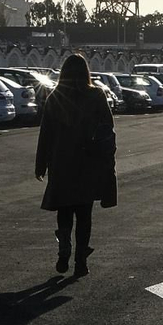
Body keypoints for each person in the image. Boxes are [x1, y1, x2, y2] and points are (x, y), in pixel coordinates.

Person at [34, 54, 117, 276]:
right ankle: (81, 261)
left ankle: (64, 249)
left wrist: (40, 164)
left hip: (61, 164)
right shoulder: (96, 95)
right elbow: (107, 128)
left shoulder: (55, 97)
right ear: (86, 72)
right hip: (87, 163)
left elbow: (46, 134)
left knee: (64, 210)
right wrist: (107, 156)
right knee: (84, 214)